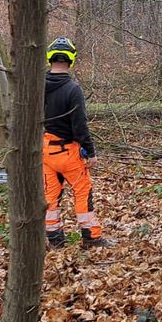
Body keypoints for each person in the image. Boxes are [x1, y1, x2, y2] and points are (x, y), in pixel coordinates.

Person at [42, 37, 111, 248]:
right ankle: (91, 236)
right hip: (69, 152)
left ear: (50, 57)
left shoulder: (36, 86)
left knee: (50, 197)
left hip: (45, 150)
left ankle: (54, 239)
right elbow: (80, 125)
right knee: (82, 191)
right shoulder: (73, 89)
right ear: (71, 59)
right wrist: (90, 152)